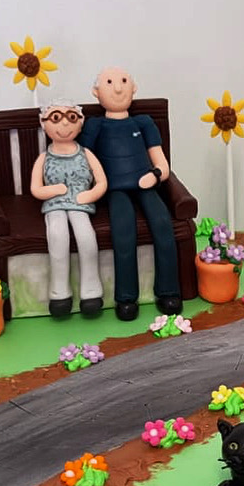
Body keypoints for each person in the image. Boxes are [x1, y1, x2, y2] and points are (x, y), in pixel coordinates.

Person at [80, 67, 182, 321]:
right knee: (123, 229)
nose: (117, 88)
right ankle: (126, 298)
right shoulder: (95, 125)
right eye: (109, 82)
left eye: (124, 81)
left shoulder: (143, 122)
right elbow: (84, 160)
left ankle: (169, 291)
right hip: (113, 189)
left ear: (133, 88)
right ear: (96, 92)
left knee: (162, 222)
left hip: (145, 184)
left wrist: (155, 175)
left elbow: (162, 163)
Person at [30, 101, 108, 317]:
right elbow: (36, 188)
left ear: (80, 123)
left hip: (80, 203)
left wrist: (90, 194)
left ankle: (91, 292)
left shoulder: (86, 154)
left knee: (86, 236)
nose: (64, 123)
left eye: (71, 117)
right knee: (57, 235)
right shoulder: (44, 157)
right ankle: (59, 293)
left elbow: (101, 181)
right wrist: (54, 190)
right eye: (56, 118)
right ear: (44, 123)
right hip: (54, 204)